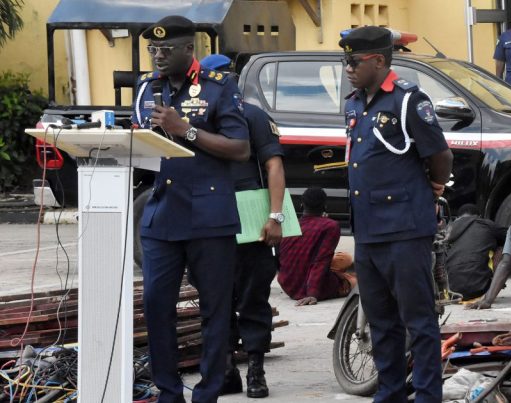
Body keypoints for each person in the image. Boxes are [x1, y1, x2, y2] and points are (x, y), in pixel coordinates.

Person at [132, 16, 250, 403]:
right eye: (153, 50)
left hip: (209, 217)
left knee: (215, 311)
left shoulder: (219, 87)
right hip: (161, 214)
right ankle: (168, 392)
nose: (158, 56)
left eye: (166, 50)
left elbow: (240, 148)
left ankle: (208, 392)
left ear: (189, 49)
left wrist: (187, 130)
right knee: (156, 308)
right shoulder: (146, 87)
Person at [339, 26, 453, 402]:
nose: (348, 68)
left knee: (418, 322)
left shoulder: (407, 101)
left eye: (354, 61)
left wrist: (435, 188)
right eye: (345, 60)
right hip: (368, 232)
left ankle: (426, 396)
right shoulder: (354, 102)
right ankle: (389, 394)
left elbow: (440, 154)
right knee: (381, 321)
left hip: (405, 229)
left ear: (380, 61)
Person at [198, 54, 285, 399]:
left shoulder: (252, 115)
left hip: (250, 221)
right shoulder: (198, 119)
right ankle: (228, 371)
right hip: (208, 222)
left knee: (252, 299)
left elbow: (274, 166)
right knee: (215, 302)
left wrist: (275, 216)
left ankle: (256, 371)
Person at [278, 187, 356, 306]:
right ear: (325, 206)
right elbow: (321, 260)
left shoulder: (293, 225)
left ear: (301, 205)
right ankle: (345, 278)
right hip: (310, 287)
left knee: (344, 258)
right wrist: (312, 293)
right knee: (356, 282)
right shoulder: (330, 225)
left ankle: (341, 275)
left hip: (288, 285)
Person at [444, 204, 507, 300]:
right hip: (479, 290)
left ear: (457, 218)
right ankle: (493, 288)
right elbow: (510, 236)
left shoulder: (448, 230)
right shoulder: (485, 223)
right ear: (479, 217)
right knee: (503, 247)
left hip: (452, 291)